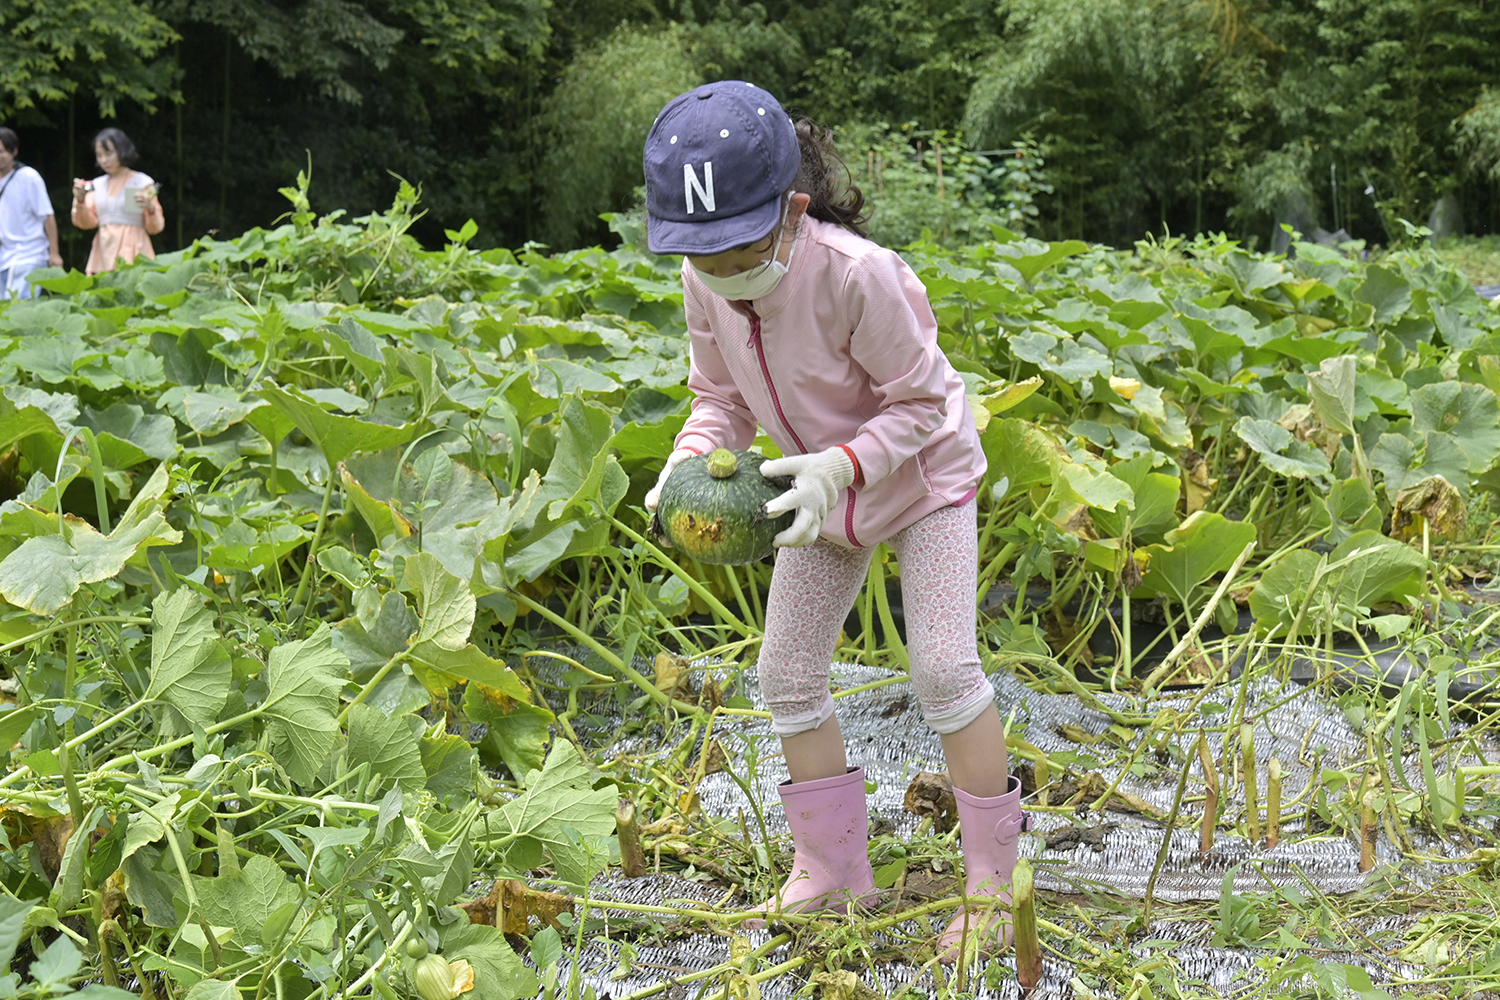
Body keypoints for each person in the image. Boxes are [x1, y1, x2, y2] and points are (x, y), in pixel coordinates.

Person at [641, 83, 1025, 964]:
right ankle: (830, 867)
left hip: (921, 480)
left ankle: (994, 889)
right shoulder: (705, 283)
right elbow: (718, 399)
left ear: (792, 212)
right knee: (784, 673)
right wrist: (687, 462)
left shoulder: (859, 276)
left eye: (744, 252)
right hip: (816, 490)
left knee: (942, 665)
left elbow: (925, 401)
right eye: (707, 259)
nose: (728, 275)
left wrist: (842, 466)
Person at [71, 128, 164, 275]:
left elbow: (156, 228)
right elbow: (85, 223)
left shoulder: (142, 182)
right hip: (103, 251)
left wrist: (150, 207)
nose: (104, 160)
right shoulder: (97, 185)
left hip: (135, 250)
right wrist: (80, 199)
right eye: (99, 155)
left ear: (122, 150)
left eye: (108, 154)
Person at [0, 127, 64, 300]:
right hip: (4, 255)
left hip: (29, 254)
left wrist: (54, 253)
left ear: (14, 151)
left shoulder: (29, 177)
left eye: (2, 152)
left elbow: (47, 216)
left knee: (18, 309)